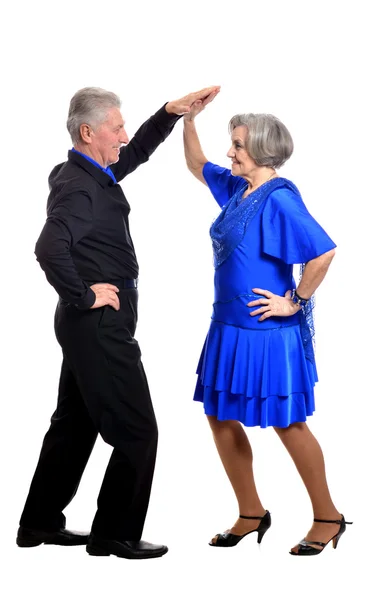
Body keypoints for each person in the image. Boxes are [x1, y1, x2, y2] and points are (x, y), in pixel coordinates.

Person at [17, 85, 219, 560]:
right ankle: (115, 534)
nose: (125, 136)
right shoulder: (80, 187)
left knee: (74, 423)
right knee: (137, 430)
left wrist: (170, 114)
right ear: (88, 132)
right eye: (117, 127)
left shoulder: (88, 172)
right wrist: (84, 295)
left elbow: (138, 154)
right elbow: (48, 248)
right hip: (98, 322)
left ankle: (39, 522)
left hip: (88, 323)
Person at [183, 94, 352, 556]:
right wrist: (189, 120)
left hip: (267, 335)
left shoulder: (278, 199)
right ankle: (251, 511)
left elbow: (323, 252)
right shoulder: (239, 188)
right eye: (231, 143)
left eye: (236, 145)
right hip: (227, 329)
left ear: (261, 150)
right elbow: (197, 165)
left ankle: (327, 517)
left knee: (288, 423)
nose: (229, 153)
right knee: (218, 415)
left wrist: (294, 301)